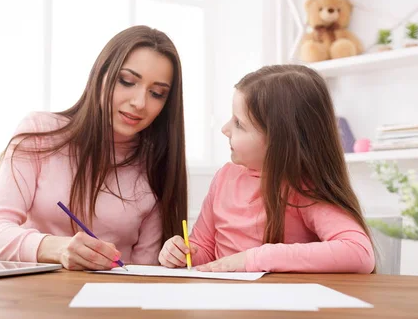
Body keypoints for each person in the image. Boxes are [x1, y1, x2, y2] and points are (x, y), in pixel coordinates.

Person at [0, 25, 188, 271]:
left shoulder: (156, 167)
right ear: (100, 75)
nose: (139, 103)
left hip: (109, 303)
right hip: (33, 301)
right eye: (127, 81)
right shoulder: (39, 133)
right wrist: (58, 249)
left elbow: (145, 274)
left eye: (156, 93)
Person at [158, 64, 375, 273]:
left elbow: (359, 252)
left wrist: (256, 258)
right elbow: (204, 249)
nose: (225, 129)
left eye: (239, 124)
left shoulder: (303, 189)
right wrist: (182, 254)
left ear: (280, 140)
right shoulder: (224, 177)